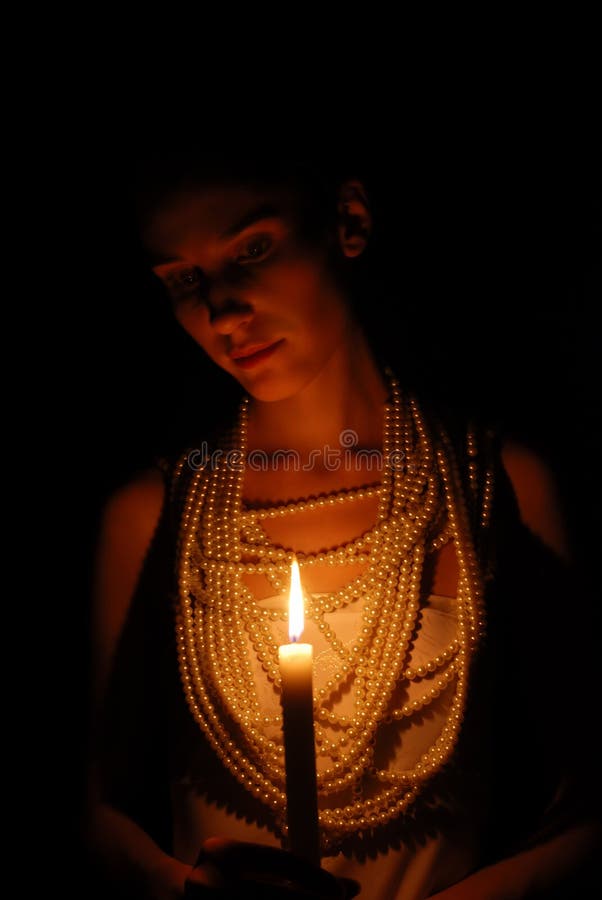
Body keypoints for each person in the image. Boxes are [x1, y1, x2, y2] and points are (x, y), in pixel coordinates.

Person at [85, 141, 600, 899]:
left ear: (348, 221)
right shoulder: (157, 515)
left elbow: (591, 803)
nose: (223, 310)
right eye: (185, 279)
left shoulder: (489, 488)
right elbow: (94, 808)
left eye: (252, 249)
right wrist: (182, 890)